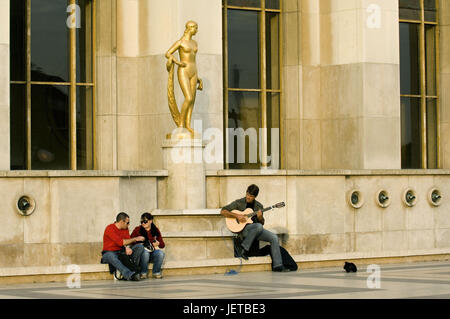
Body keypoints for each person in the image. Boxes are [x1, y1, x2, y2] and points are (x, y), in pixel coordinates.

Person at [220, 184, 288, 272]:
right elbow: (223, 211)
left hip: (256, 230)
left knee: (274, 237)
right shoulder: (239, 202)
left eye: (251, 196)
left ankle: (278, 265)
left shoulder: (259, 206)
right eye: (247, 194)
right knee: (258, 226)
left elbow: (261, 223)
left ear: (255, 197)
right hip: (243, 230)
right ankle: (245, 247)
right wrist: (237, 216)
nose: (248, 197)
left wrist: (260, 217)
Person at [165, 20, 203, 135]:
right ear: (190, 28)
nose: (196, 30)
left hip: (194, 71)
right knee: (189, 98)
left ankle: (188, 124)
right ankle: (181, 124)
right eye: (195, 28)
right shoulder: (180, 42)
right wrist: (177, 62)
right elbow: (168, 53)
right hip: (183, 70)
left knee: (193, 101)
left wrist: (198, 78)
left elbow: (193, 59)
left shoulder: (195, 43)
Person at [101, 212, 146, 281]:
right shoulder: (110, 228)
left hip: (121, 251)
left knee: (139, 247)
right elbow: (121, 242)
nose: (128, 225)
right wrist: (135, 239)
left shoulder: (125, 229)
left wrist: (127, 247)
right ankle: (129, 274)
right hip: (109, 253)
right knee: (111, 256)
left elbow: (127, 241)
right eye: (127, 223)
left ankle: (134, 270)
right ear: (122, 222)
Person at [131, 212, 166, 279]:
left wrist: (158, 243)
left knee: (160, 253)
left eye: (145, 221)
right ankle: (143, 273)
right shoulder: (137, 229)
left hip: (152, 252)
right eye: (141, 222)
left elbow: (162, 245)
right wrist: (138, 241)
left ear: (150, 221)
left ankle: (156, 272)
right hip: (142, 254)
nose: (143, 223)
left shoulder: (155, 230)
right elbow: (131, 241)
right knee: (145, 252)